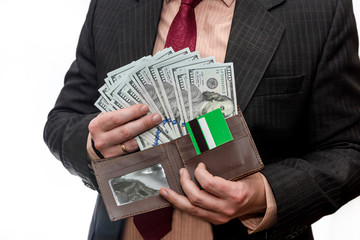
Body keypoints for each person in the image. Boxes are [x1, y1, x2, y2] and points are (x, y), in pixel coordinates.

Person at [43, 0, 360, 239]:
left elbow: (348, 148)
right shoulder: (113, 4)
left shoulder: (319, 9)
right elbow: (64, 118)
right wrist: (91, 144)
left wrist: (264, 194)